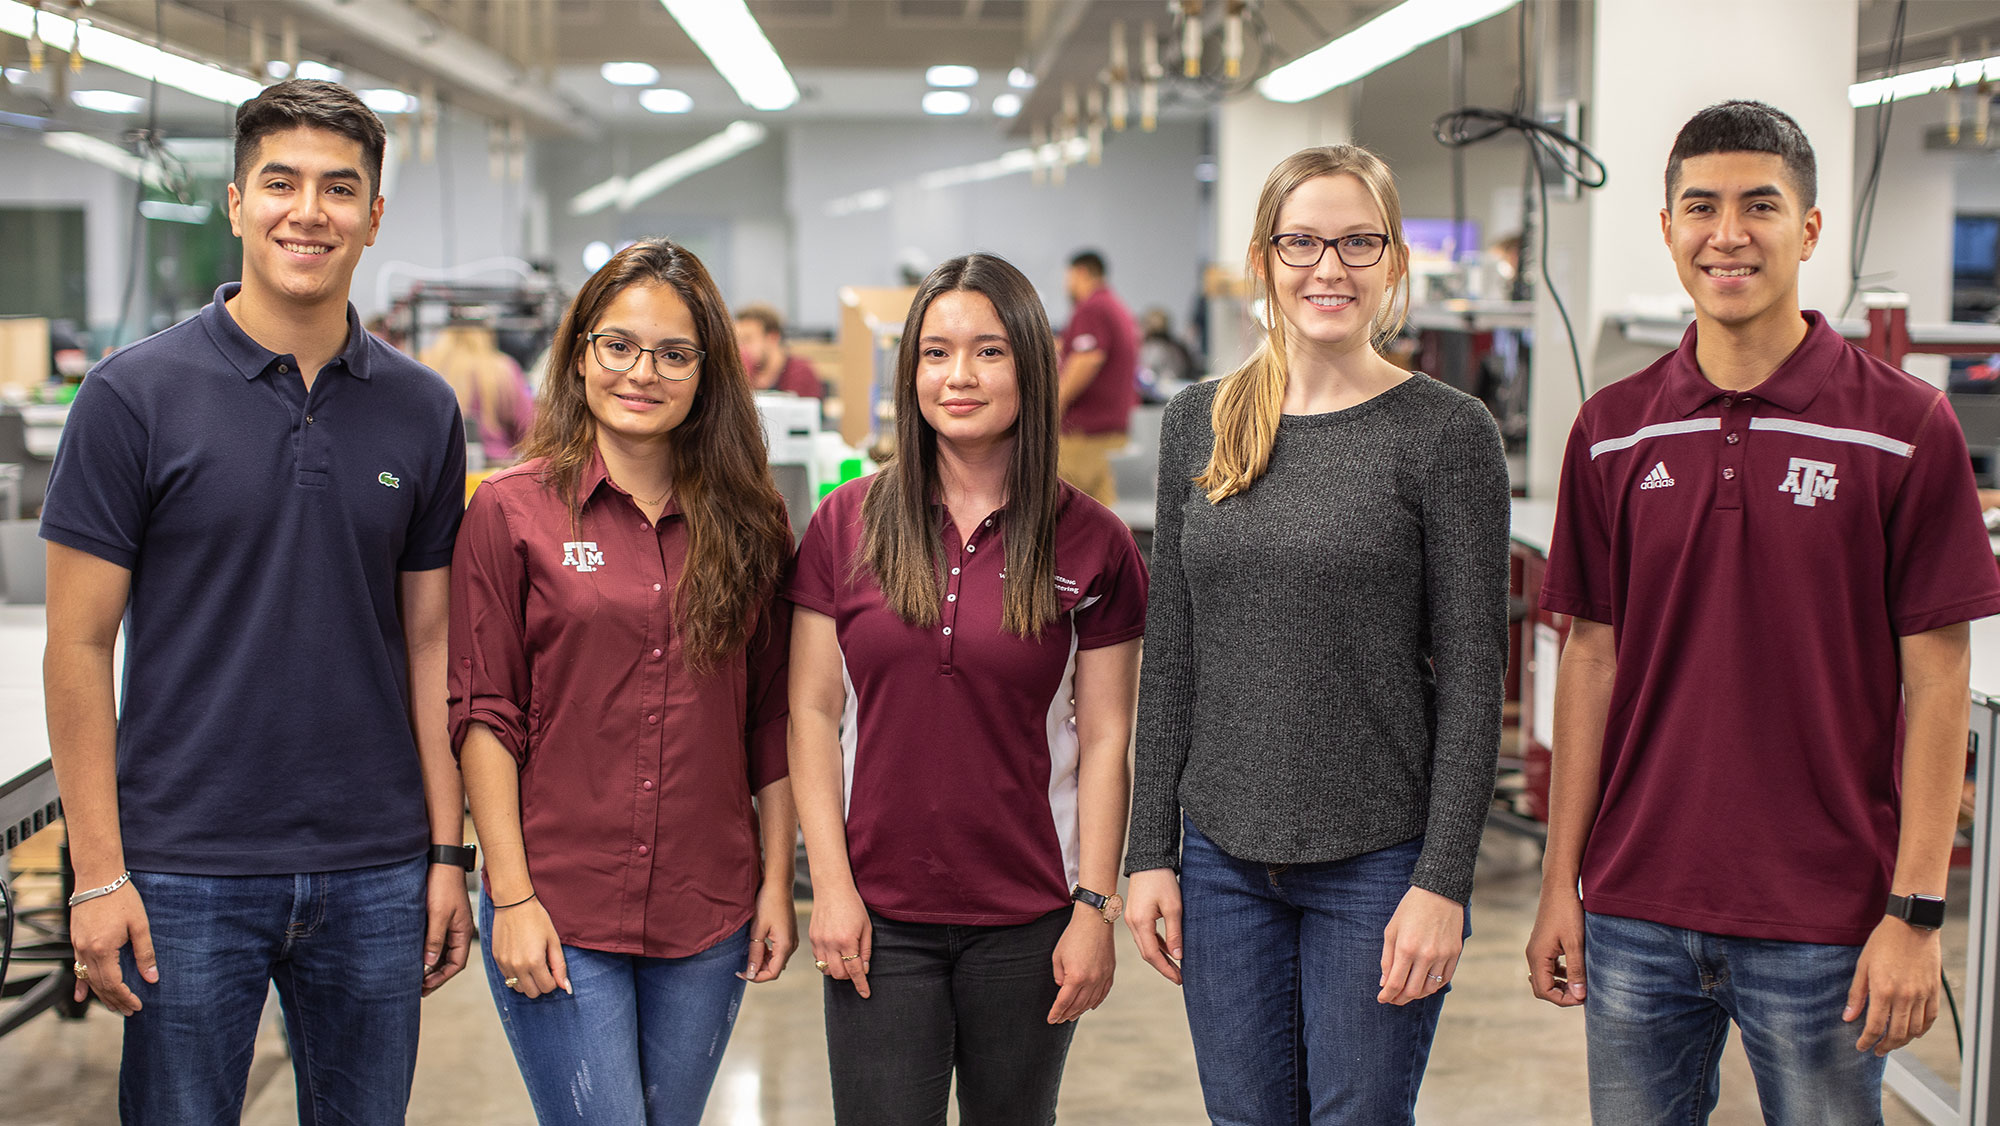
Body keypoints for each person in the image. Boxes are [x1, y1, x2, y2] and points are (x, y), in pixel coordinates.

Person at [1526, 100, 2000, 1124]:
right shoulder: (1609, 431)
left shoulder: (1903, 427)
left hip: (1822, 919)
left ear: (1809, 228)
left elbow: (1937, 679)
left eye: (1759, 206)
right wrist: (1560, 880)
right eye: (1698, 207)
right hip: (1633, 908)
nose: (1725, 233)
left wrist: (1914, 913)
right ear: (1665, 228)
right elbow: (1588, 659)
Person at [41, 79, 473, 1123]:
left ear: (373, 218)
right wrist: (99, 873)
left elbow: (430, 645)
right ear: (236, 203)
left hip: (374, 867)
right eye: (279, 182)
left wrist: (445, 854)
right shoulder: (130, 398)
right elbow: (77, 645)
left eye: (339, 188)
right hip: (185, 869)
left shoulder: (422, 411)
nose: (307, 211)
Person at [1123, 144, 1510, 1125]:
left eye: (1355, 242)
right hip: (1220, 855)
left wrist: (1441, 882)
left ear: (1392, 265)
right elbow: (1171, 652)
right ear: (1262, 257)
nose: (1326, 268)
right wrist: (1148, 851)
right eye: (1300, 241)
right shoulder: (1197, 422)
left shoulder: (1443, 434)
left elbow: (1472, 681)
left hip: (1376, 858)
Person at [787, 252, 1146, 1125]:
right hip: (879, 916)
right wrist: (829, 887)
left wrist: (1096, 905)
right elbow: (810, 709)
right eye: (935, 352)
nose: (959, 376)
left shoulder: (1094, 542)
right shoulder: (847, 522)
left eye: (988, 352)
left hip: (1029, 918)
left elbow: (1106, 739)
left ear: (1029, 362)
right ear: (910, 371)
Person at [450, 238, 799, 1125]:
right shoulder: (510, 509)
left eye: (674, 353)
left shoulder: (752, 523)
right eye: (620, 345)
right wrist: (511, 893)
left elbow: (771, 720)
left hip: (707, 908)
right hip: (558, 904)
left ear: (706, 372)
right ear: (580, 353)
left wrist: (772, 886)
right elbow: (486, 711)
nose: (643, 372)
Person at [1055, 250, 1141, 506]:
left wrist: (1053, 407)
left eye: (1067, 277)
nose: (1066, 284)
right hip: (1111, 433)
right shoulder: (1115, 306)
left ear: (1080, 273)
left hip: (1085, 437)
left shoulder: (1092, 308)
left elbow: (1087, 359)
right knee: (1104, 520)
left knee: (1061, 516)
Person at [423, 312, 536, 465]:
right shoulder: (502, 369)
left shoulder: (426, 364)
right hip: (495, 467)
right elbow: (529, 428)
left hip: (442, 466)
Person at [734, 302, 824, 398]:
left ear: (773, 338)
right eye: (737, 341)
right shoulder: (745, 372)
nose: (741, 347)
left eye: (747, 339)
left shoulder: (799, 373)